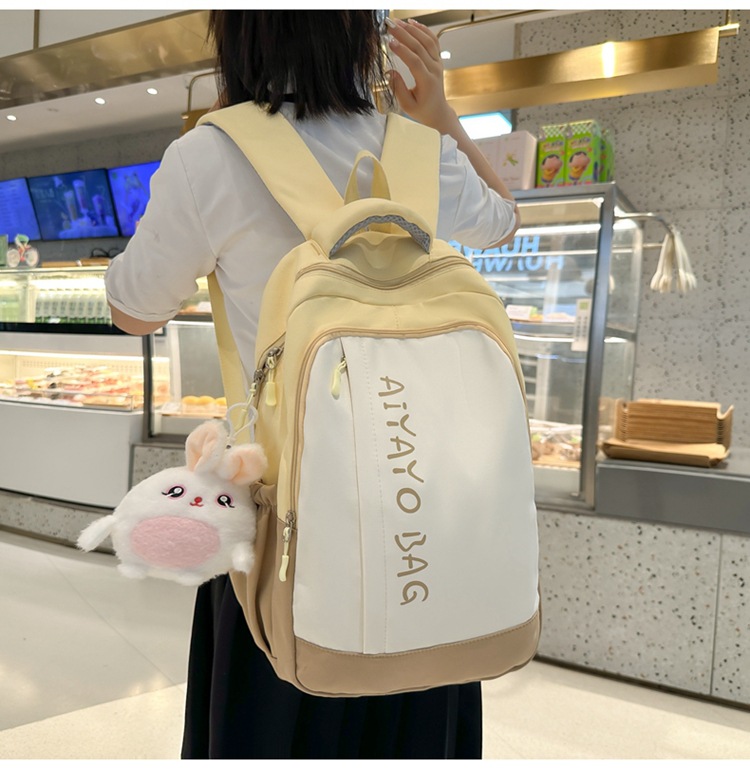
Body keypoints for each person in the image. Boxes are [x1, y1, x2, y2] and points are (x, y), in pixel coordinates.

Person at [105, 10, 520, 759]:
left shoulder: (211, 155)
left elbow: (132, 310)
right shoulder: (420, 149)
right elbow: (505, 219)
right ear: (363, 37)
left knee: (276, 723)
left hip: (277, 523)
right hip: (420, 514)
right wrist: (437, 113)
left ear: (241, 36)